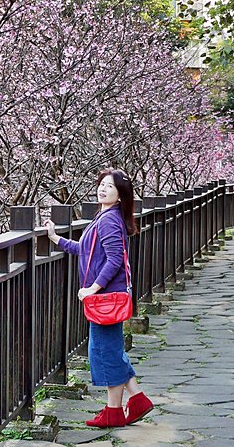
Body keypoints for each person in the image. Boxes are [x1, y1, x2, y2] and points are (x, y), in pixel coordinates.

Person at [45, 168, 154, 428]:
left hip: (105, 297)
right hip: (109, 295)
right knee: (111, 350)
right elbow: (86, 250)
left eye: (110, 187)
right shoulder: (105, 216)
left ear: (120, 196)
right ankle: (136, 400)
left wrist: (93, 288)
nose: (103, 189)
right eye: (102, 184)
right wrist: (56, 239)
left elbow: (115, 259)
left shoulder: (108, 220)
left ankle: (114, 410)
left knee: (104, 353)